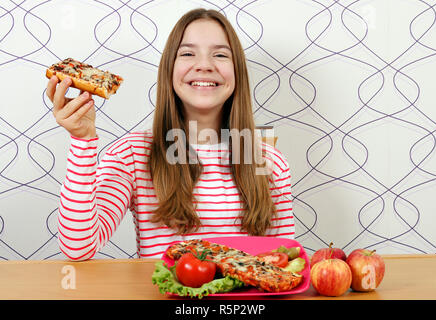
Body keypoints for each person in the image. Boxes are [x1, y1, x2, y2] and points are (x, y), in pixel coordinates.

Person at [46, 8, 295, 260]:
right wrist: (83, 140)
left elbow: (285, 263)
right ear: (170, 69)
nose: (205, 65)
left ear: (237, 71)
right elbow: (78, 248)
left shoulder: (269, 161)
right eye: (187, 53)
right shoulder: (132, 154)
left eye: (220, 54)